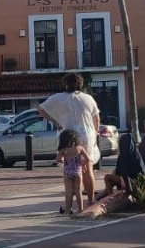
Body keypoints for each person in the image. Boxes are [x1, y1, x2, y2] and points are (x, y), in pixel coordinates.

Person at [39, 73, 101, 207]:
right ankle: (90, 201)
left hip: (68, 137)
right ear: (80, 84)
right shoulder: (88, 98)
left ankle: (69, 205)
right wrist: (94, 134)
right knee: (87, 169)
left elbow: (41, 109)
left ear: (66, 84)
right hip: (86, 135)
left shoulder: (58, 98)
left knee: (69, 170)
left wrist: (55, 121)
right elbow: (96, 118)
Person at [57, 129, 90, 215]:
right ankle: (80, 209)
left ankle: (68, 210)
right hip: (77, 171)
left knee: (69, 191)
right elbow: (87, 159)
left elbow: (58, 159)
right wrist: (82, 164)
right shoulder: (79, 148)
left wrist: (64, 160)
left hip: (67, 171)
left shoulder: (63, 150)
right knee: (78, 190)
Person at [101, 134, 145, 198]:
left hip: (135, 182)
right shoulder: (135, 154)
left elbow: (139, 173)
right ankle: (108, 195)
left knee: (107, 177)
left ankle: (110, 197)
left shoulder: (130, 156)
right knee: (113, 174)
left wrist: (127, 183)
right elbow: (120, 169)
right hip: (127, 179)